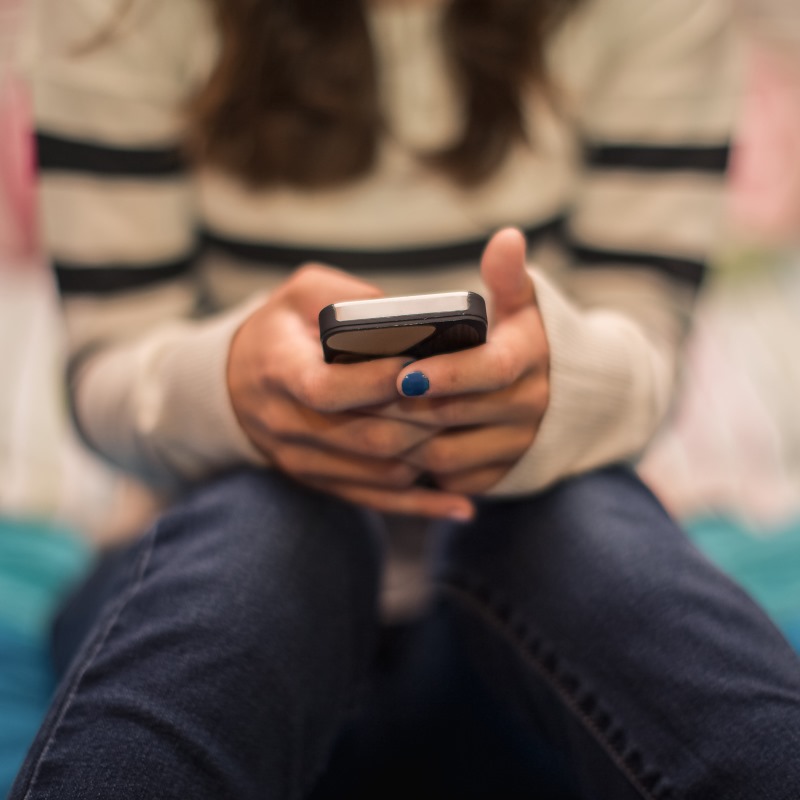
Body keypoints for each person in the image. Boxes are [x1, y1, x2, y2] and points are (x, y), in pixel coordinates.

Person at [11, 0, 800, 797]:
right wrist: (232, 390)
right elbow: (106, 367)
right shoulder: (113, 15)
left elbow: (647, 335)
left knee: (579, 519)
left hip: (524, 622)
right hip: (229, 575)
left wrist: (556, 390)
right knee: (268, 523)